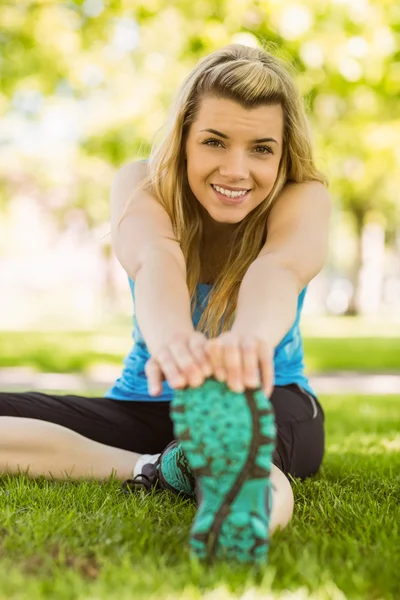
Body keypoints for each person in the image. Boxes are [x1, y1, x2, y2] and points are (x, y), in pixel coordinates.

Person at [0, 44, 330, 565]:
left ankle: (236, 514)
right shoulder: (142, 184)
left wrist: (249, 341)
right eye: (215, 142)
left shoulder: (303, 196)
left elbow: (279, 270)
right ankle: (160, 466)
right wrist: (175, 340)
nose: (236, 169)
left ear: (283, 153)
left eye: (261, 149)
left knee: (243, 451)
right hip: (146, 402)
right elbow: (156, 259)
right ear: (183, 140)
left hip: (270, 397)